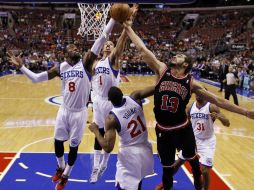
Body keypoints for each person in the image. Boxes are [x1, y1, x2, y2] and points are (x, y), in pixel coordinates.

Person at [123, 21, 254, 190]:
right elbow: (143, 50)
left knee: (195, 165)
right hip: (163, 130)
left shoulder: (191, 83)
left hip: (183, 129)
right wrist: (127, 28)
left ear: (185, 65)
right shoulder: (162, 70)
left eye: (180, 56)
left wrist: (245, 112)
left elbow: (219, 101)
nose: (175, 56)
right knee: (168, 170)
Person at [8, 16, 117, 190]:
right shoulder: (60, 68)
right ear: (65, 54)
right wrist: (22, 66)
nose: (75, 48)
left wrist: (112, 18)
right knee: (58, 143)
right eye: (71, 47)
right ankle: (60, 167)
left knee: (74, 147)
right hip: (64, 110)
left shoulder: (87, 63)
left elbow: (102, 37)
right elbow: (36, 79)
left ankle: (66, 175)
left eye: (75, 47)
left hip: (79, 113)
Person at [89, 4, 138, 183]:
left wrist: (127, 25)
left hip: (111, 103)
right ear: (102, 48)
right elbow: (91, 81)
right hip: (98, 101)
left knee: (109, 136)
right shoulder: (95, 64)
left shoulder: (114, 61)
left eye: (111, 44)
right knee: (98, 133)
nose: (109, 46)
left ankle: (105, 162)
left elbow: (120, 44)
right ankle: (96, 167)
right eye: (107, 45)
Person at [88, 86, 154, 190]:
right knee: (137, 183)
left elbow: (108, 147)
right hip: (146, 150)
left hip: (130, 156)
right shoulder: (135, 97)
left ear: (109, 100)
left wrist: (96, 130)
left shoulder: (112, 118)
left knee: (123, 187)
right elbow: (156, 88)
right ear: (122, 94)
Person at [171, 91, 230, 190]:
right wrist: (180, 140)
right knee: (178, 163)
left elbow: (227, 123)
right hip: (193, 139)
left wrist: (219, 117)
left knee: (205, 171)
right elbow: (184, 124)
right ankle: (166, 181)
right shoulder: (190, 107)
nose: (198, 96)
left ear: (206, 95)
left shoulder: (212, 107)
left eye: (201, 94)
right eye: (197, 94)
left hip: (208, 141)